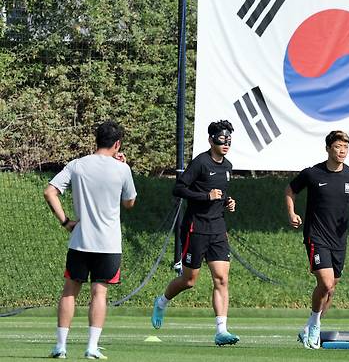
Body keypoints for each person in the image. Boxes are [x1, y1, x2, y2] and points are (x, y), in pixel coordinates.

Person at [44, 121, 137, 360]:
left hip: (80, 241)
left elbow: (50, 191)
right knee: (99, 293)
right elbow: (129, 203)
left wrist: (66, 222)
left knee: (69, 291)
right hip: (108, 244)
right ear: (117, 144)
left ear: (96, 140)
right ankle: (91, 347)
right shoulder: (122, 169)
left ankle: (60, 346)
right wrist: (123, 167)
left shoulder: (77, 165)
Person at [151, 120, 239, 346]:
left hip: (218, 229)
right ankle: (161, 302)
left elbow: (222, 194)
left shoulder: (228, 166)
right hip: (196, 228)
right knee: (189, 281)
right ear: (211, 140)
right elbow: (179, 188)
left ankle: (221, 331)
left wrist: (228, 202)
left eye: (229, 139)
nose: (226, 142)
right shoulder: (200, 162)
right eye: (222, 138)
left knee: (222, 279)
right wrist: (205, 196)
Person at [285, 130, 349, 350]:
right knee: (326, 282)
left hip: (339, 240)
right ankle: (314, 325)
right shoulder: (313, 174)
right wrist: (292, 213)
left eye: (345, 147)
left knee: (331, 290)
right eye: (338, 147)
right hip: (316, 236)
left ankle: (311, 326)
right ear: (328, 149)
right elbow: (290, 190)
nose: (342, 151)